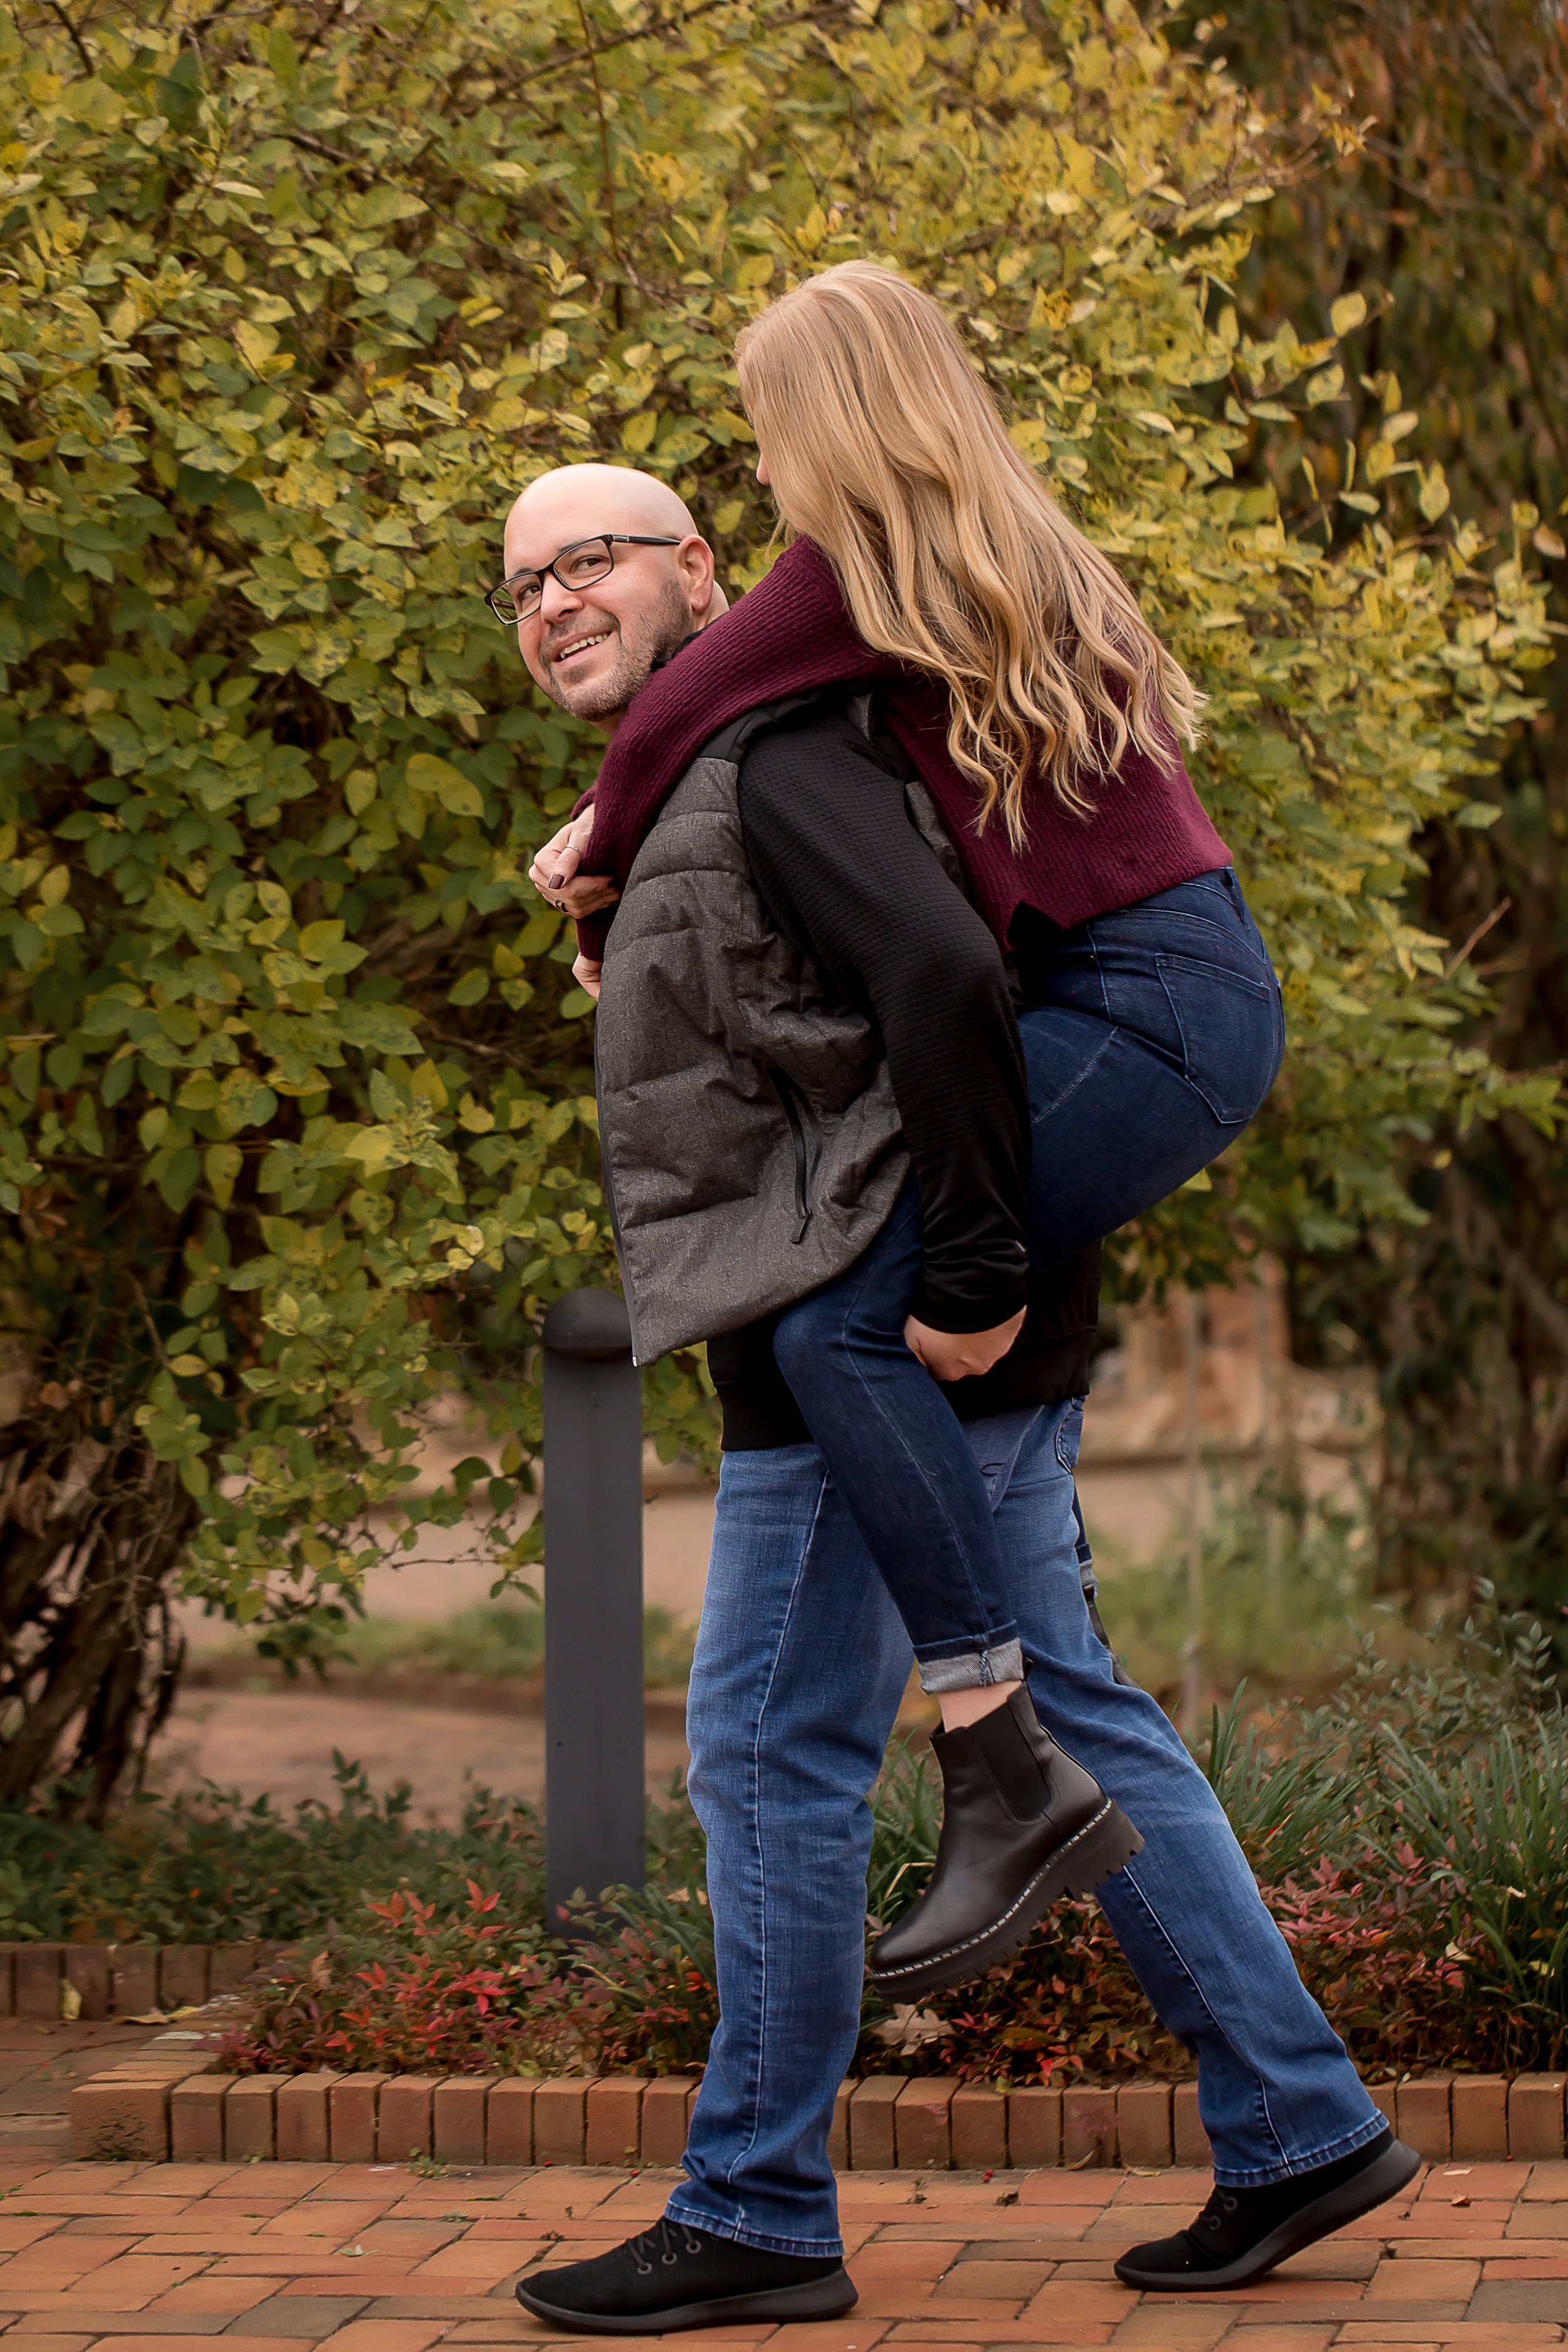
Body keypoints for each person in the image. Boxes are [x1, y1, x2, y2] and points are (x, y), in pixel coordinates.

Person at [495, 418, 1415, 2339]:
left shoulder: (770, 748)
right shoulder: (744, 762)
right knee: (1064, 1702)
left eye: (592, 557)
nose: (552, 599)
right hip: (927, 1315)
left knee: (768, 1744)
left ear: (701, 568)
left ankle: (754, 2205)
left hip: (879, 1334)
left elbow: (943, 986)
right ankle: (1299, 2119)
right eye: (520, 584)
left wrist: (970, 1265)